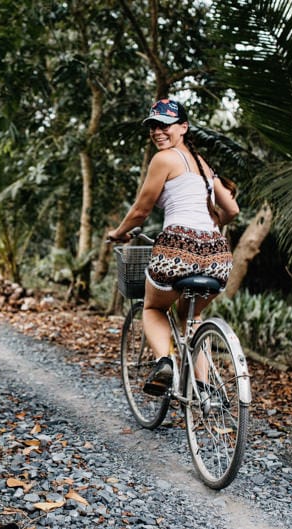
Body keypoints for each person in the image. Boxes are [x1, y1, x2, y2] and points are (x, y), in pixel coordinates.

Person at [107, 98, 239, 396]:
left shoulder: (164, 159)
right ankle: (204, 388)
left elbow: (141, 211)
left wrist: (118, 233)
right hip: (217, 256)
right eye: (153, 125)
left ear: (183, 127)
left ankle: (164, 362)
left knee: (153, 307)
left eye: (165, 125)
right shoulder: (203, 165)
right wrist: (210, 226)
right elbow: (232, 210)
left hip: (177, 248)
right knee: (191, 317)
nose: (157, 131)